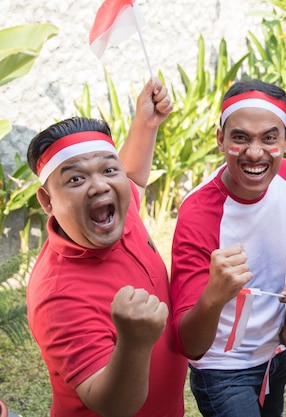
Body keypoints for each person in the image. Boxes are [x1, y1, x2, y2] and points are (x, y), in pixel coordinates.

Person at [26, 78, 188, 417]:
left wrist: (145, 125)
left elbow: (134, 179)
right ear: (47, 200)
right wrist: (134, 342)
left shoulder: (120, 211)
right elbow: (113, 406)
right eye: (76, 179)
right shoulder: (57, 295)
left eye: (108, 169)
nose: (101, 185)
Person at [169, 79, 286, 417]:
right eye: (240, 137)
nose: (255, 153)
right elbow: (190, 344)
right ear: (220, 139)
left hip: (275, 354)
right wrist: (215, 293)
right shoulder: (198, 214)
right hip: (222, 369)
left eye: (269, 138)